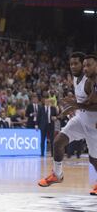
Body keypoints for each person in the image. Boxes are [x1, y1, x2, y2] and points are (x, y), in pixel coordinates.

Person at [38, 53, 97, 195]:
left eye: (77, 64)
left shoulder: (89, 82)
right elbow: (80, 104)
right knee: (58, 142)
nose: (73, 66)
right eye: (71, 64)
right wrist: (63, 113)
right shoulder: (76, 79)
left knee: (93, 160)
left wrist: (76, 105)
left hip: (93, 125)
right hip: (80, 119)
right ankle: (57, 175)